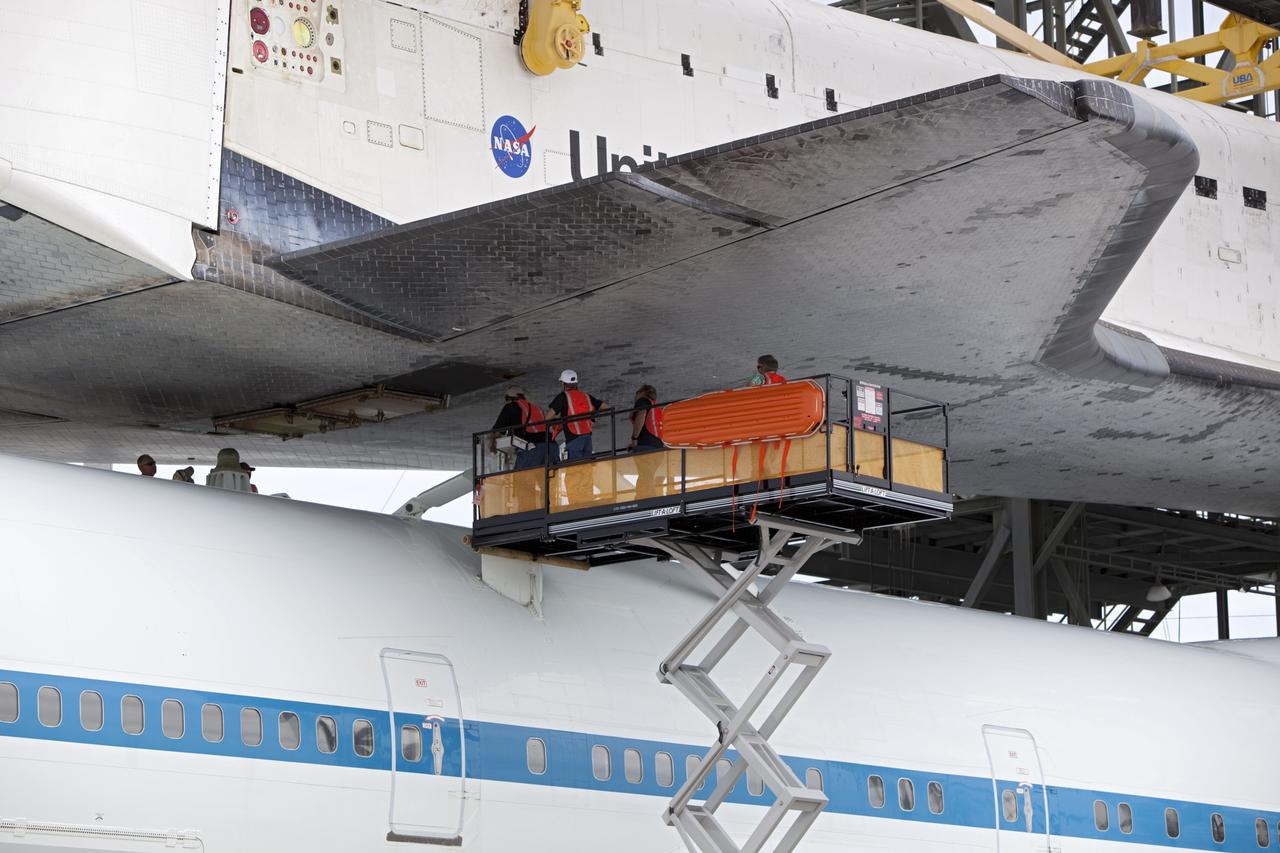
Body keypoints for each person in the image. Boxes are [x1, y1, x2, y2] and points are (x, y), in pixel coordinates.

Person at [547, 369, 608, 461]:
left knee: (575, 467)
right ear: (576, 383)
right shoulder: (586, 396)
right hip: (587, 438)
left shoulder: (563, 397)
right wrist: (592, 415)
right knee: (587, 466)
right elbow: (605, 407)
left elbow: (548, 417)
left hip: (573, 439)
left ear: (563, 384)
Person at [488, 386, 550, 470]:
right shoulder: (537, 408)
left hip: (530, 449)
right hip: (549, 447)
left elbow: (498, 430)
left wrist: (493, 446)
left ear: (509, 398)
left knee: (521, 476)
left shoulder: (510, 406)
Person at [628, 385, 666, 499]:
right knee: (646, 476)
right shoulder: (655, 407)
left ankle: (645, 499)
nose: (635, 396)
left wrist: (634, 438)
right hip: (659, 449)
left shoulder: (643, 401)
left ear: (642, 392)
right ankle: (643, 498)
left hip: (646, 447)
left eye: (637, 392)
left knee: (645, 476)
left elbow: (642, 414)